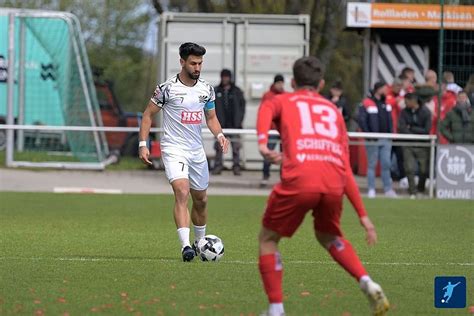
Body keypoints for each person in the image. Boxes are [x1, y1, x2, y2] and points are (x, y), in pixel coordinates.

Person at [256, 56, 389, 316]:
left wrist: (263, 143)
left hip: (300, 179)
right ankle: (367, 282)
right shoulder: (333, 111)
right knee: (329, 236)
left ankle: (276, 309)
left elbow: (266, 109)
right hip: (333, 183)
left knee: (268, 239)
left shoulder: (282, 99)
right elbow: (345, 169)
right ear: (322, 83)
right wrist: (363, 216)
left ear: (293, 82)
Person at [138, 42, 230, 262]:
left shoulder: (206, 89)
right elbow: (148, 115)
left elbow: (211, 117)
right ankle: (186, 246)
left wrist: (219, 135)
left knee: (202, 200)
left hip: (196, 150)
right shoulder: (166, 89)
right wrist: (143, 144)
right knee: (182, 191)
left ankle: (200, 242)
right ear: (182, 62)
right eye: (193, 63)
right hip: (173, 148)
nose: (197, 67)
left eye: (200, 63)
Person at [358, 82, 397, 198]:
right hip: (372, 140)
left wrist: (391, 134)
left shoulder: (387, 102)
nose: (386, 90)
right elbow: (362, 120)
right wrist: (369, 135)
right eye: (384, 88)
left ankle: (388, 189)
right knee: (372, 165)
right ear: (378, 89)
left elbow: (390, 120)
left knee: (386, 164)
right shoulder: (367, 102)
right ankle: (371, 189)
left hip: (386, 138)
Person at [398, 92, 432, 199]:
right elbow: (402, 128)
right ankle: (412, 192)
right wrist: (413, 132)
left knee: (423, 170)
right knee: (409, 168)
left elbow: (426, 130)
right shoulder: (404, 112)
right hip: (408, 143)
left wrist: (411, 128)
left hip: (422, 144)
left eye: (406, 101)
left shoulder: (426, 112)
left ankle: (420, 188)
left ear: (413, 101)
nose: (405, 103)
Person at [212, 69, 246, 175]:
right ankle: (218, 166)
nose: (225, 79)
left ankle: (236, 166)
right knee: (219, 147)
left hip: (234, 124)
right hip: (221, 125)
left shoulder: (237, 91)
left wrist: (239, 120)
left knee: (236, 147)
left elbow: (242, 107)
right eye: (223, 77)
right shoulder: (216, 91)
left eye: (227, 77)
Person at [259, 74, 286, 187]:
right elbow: (263, 112)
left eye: (281, 83)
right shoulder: (268, 96)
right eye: (278, 83)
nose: (280, 85)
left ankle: (284, 177)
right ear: (274, 83)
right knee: (268, 153)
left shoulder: (286, 96)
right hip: (271, 130)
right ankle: (265, 176)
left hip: (283, 130)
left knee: (286, 155)